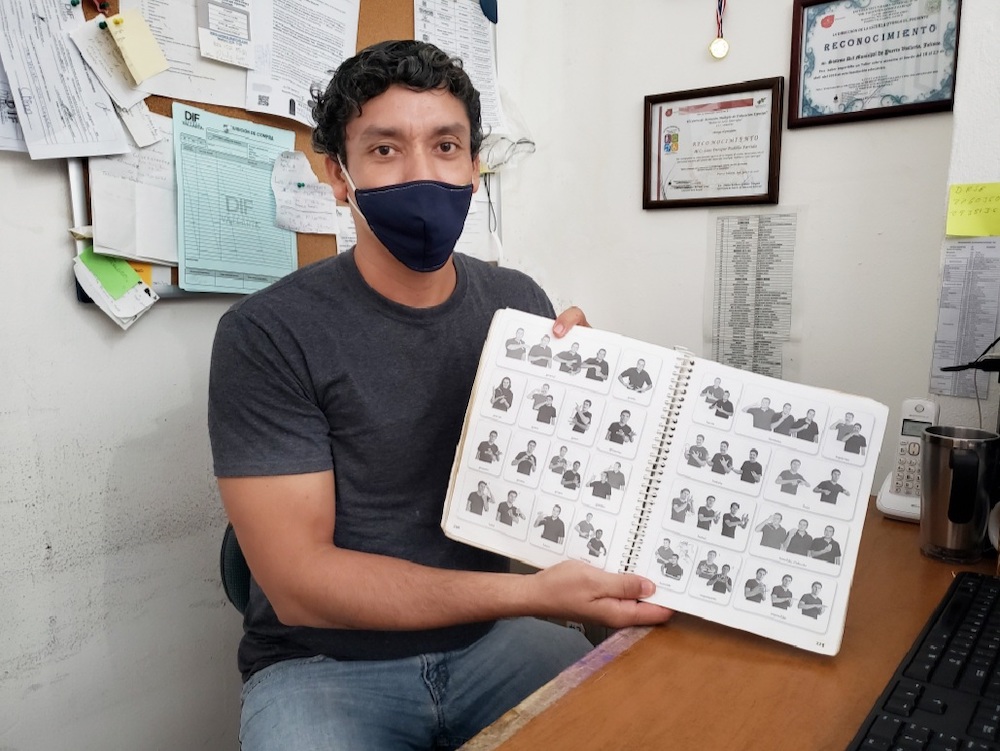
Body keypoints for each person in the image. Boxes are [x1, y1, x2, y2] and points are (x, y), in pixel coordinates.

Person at [208, 40, 671, 751]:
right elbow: (300, 583)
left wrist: (596, 400)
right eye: (385, 149)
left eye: (446, 146)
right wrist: (530, 595)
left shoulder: (517, 303)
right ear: (338, 175)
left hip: (492, 641)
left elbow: (553, 501)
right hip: (322, 666)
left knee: (664, 721)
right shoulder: (267, 333)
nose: (422, 173)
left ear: (474, 166)